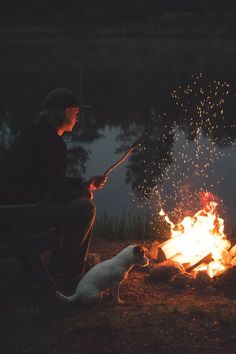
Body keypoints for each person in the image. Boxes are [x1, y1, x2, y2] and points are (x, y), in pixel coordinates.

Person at [0, 88, 107, 285]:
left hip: (11, 211)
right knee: (85, 208)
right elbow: (59, 194)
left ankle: (58, 266)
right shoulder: (52, 143)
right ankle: (68, 273)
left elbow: (47, 180)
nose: (77, 118)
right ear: (66, 113)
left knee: (78, 201)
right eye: (76, 112)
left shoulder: (33, 134)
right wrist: (84, 193)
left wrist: (81, 184)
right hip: (19, 215)